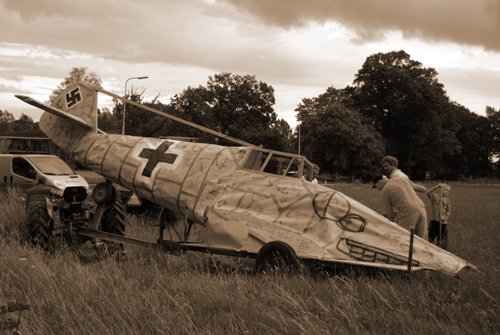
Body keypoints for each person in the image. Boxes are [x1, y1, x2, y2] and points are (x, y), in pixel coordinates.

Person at [427, 182, 451, 249]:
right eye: (446, 190)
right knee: (430, 238)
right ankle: (429, 249)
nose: (447, 192)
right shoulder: (435, 197)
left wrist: (444, 217)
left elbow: (448, 212)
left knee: (441, 239)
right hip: (434, 221)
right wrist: (436, 187)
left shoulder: (447, 201)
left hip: (442, 222)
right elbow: (428, 193)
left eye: (448, 191)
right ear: (441, 190)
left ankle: (439, 249)